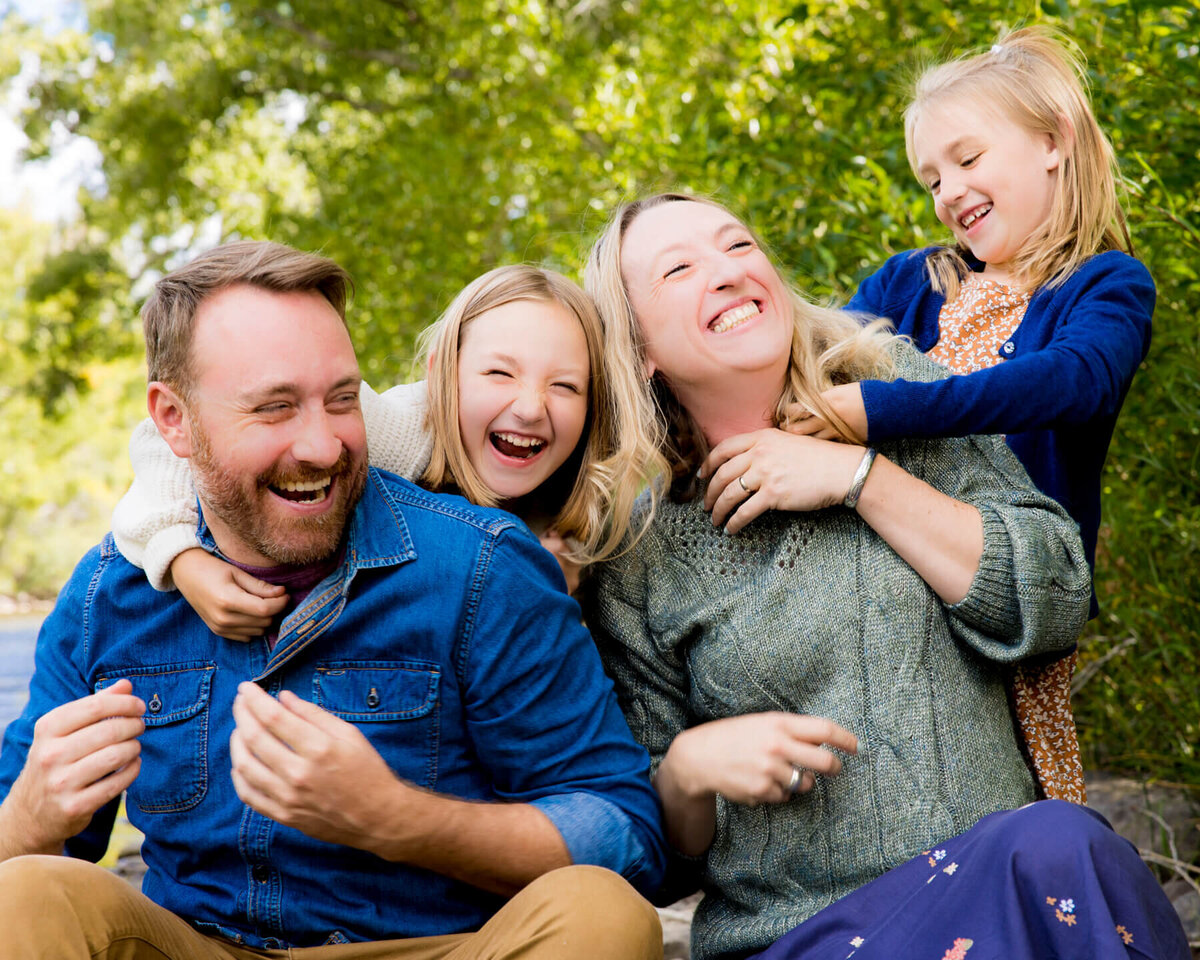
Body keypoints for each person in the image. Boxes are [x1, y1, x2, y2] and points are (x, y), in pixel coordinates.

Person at [0, 241, 666, 959]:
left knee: (601, 914)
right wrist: (29, 818)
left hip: (434, 946)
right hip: (197, 945)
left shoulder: (481, 566)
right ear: (173, 422)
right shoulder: (111, 593)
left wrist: (397, 820)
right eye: (274, 407)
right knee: (27, 890)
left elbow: (625, 832)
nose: (321, 444)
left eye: (342, 399)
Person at [581, 193, 1187, 960]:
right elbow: (657, 860)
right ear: (641, 351)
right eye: (680, 268)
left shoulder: (895, 390)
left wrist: (859, 475)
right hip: (807, 935)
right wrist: (687, 771)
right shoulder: (640, 555)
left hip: (996, 888)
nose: (728, 272)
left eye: (738, 245)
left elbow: (1057, 591)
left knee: (1064, 845)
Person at [792, 28, 1155, 803]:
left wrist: (881, 410)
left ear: (1051, 143)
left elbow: (1069, 383)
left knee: (996, 802)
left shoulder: (1103, 287)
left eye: (967, 159)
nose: (948, 192)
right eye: (930, 179)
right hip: (881, 596)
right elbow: (812, 357)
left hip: (1008, 607)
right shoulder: (909, 284)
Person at [112, 263, 660, 637]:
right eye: (498, 373)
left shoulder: (591, 491)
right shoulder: (397, 430)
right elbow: (162, 439)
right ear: (443, 376)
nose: (532, 406)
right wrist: (181, 559)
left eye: (565, 386)